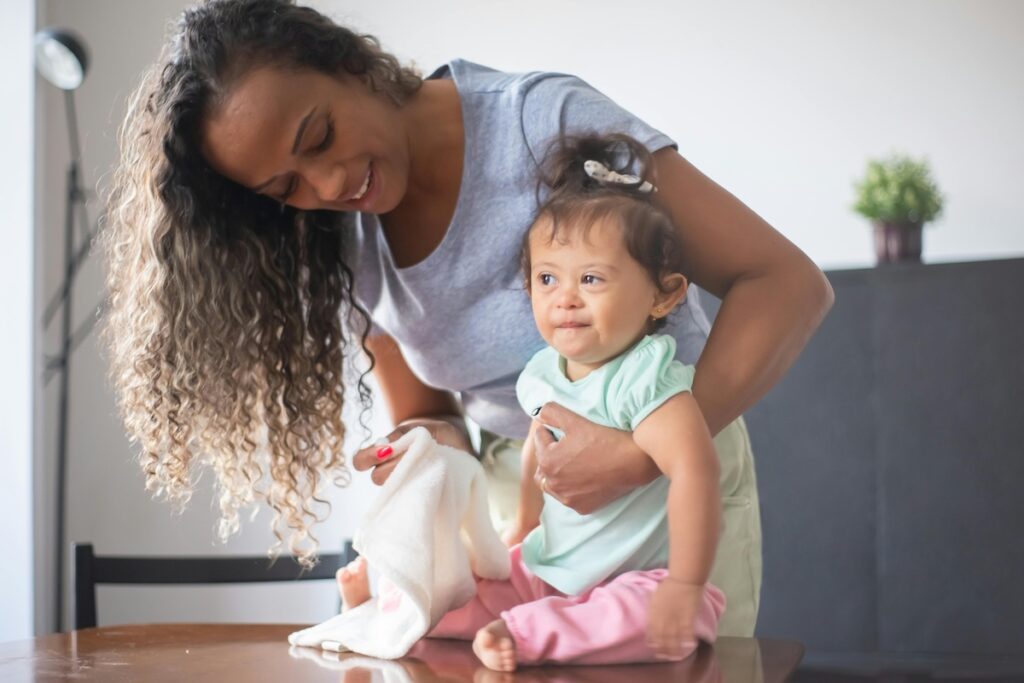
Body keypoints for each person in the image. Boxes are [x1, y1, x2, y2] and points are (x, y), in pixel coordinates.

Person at [102, 0, 833, 638]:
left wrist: (640, 453)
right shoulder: (344, 241)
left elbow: (786, 284)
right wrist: (412, 456)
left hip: (673, 484)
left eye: (319, 136)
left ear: (349, 62)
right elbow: (435, 415)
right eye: (287, 186)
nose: (328, 186)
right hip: (527, 509)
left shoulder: (541, 124)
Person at [337, 132, 728, 671]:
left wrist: (685, 582)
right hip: (553, 566)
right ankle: (390, 605)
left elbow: (695, 471)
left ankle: (530, 635)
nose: (565, 297)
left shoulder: (648, 376)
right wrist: (522, 528)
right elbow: (535, 450)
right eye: (548, 278)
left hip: (637, 576)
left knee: (649, 613)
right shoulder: (542, 374)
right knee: (462, 590)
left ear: (663, 294)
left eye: (591, 278)